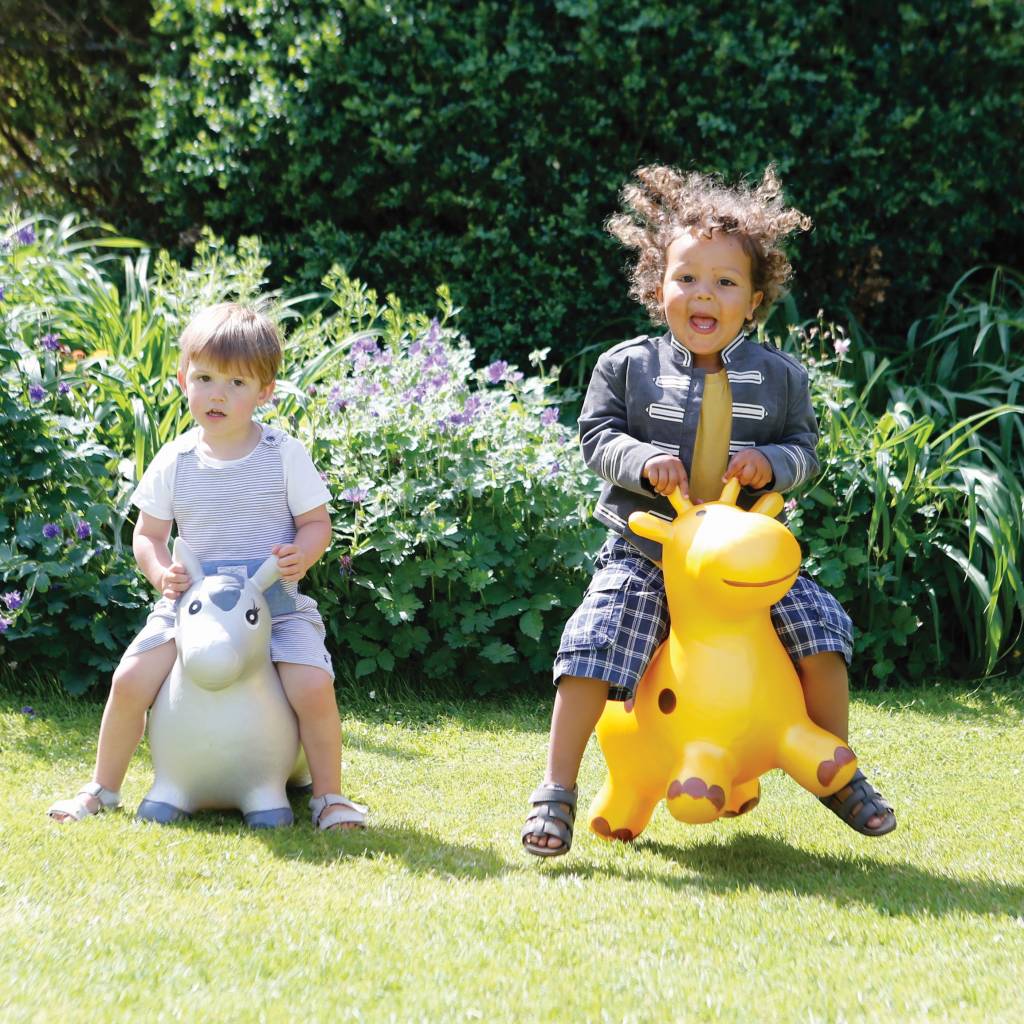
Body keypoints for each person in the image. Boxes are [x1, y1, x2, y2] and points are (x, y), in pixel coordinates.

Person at [522, 165, 896, 856]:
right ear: (656, 286)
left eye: (725, 283)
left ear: (753, 301)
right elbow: (597, 439)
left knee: (822, 628)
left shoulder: (782, 377)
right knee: (593, 640)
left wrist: (775, 465)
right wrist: (639, 460)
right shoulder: (626, 366)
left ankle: (836, 769)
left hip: (740, 565)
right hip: (645, 554)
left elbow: (807, 452)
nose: (704, 294)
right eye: (687, 277)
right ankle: (557, 791)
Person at [48, 302, 365, 831]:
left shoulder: (284, 454)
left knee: (312, 684)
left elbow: (317, 524)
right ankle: (102, 787)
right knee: (129, 679)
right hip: (189, 605)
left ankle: (329, 796)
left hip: (275, 604)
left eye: (237, 383)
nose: (217, 394)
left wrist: (303, 553)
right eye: (205, 378)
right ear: (182, 379)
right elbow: (147, 535)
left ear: (265, 392)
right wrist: (160, 573)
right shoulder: (175, 460)